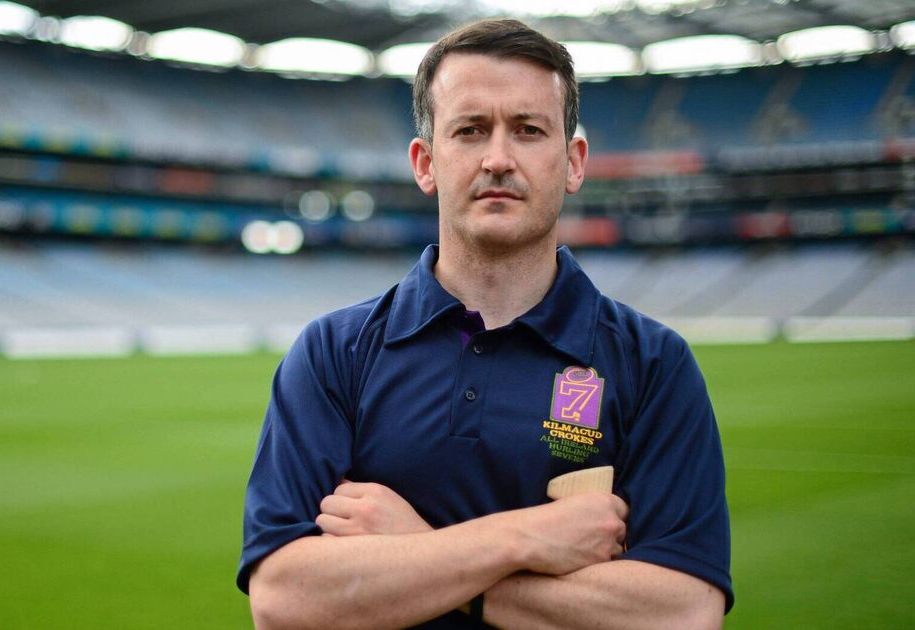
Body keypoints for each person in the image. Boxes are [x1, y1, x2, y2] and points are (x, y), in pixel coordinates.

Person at [238, 18, 731, 630]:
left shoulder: (653, 363)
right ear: (426, 163)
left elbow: (684, 614)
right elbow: (284, 599)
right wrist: (522, 539)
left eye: (529, 130)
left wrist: (417, 549)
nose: (498, 159)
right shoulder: (334, 352)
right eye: (470, 130)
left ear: (573, 163)